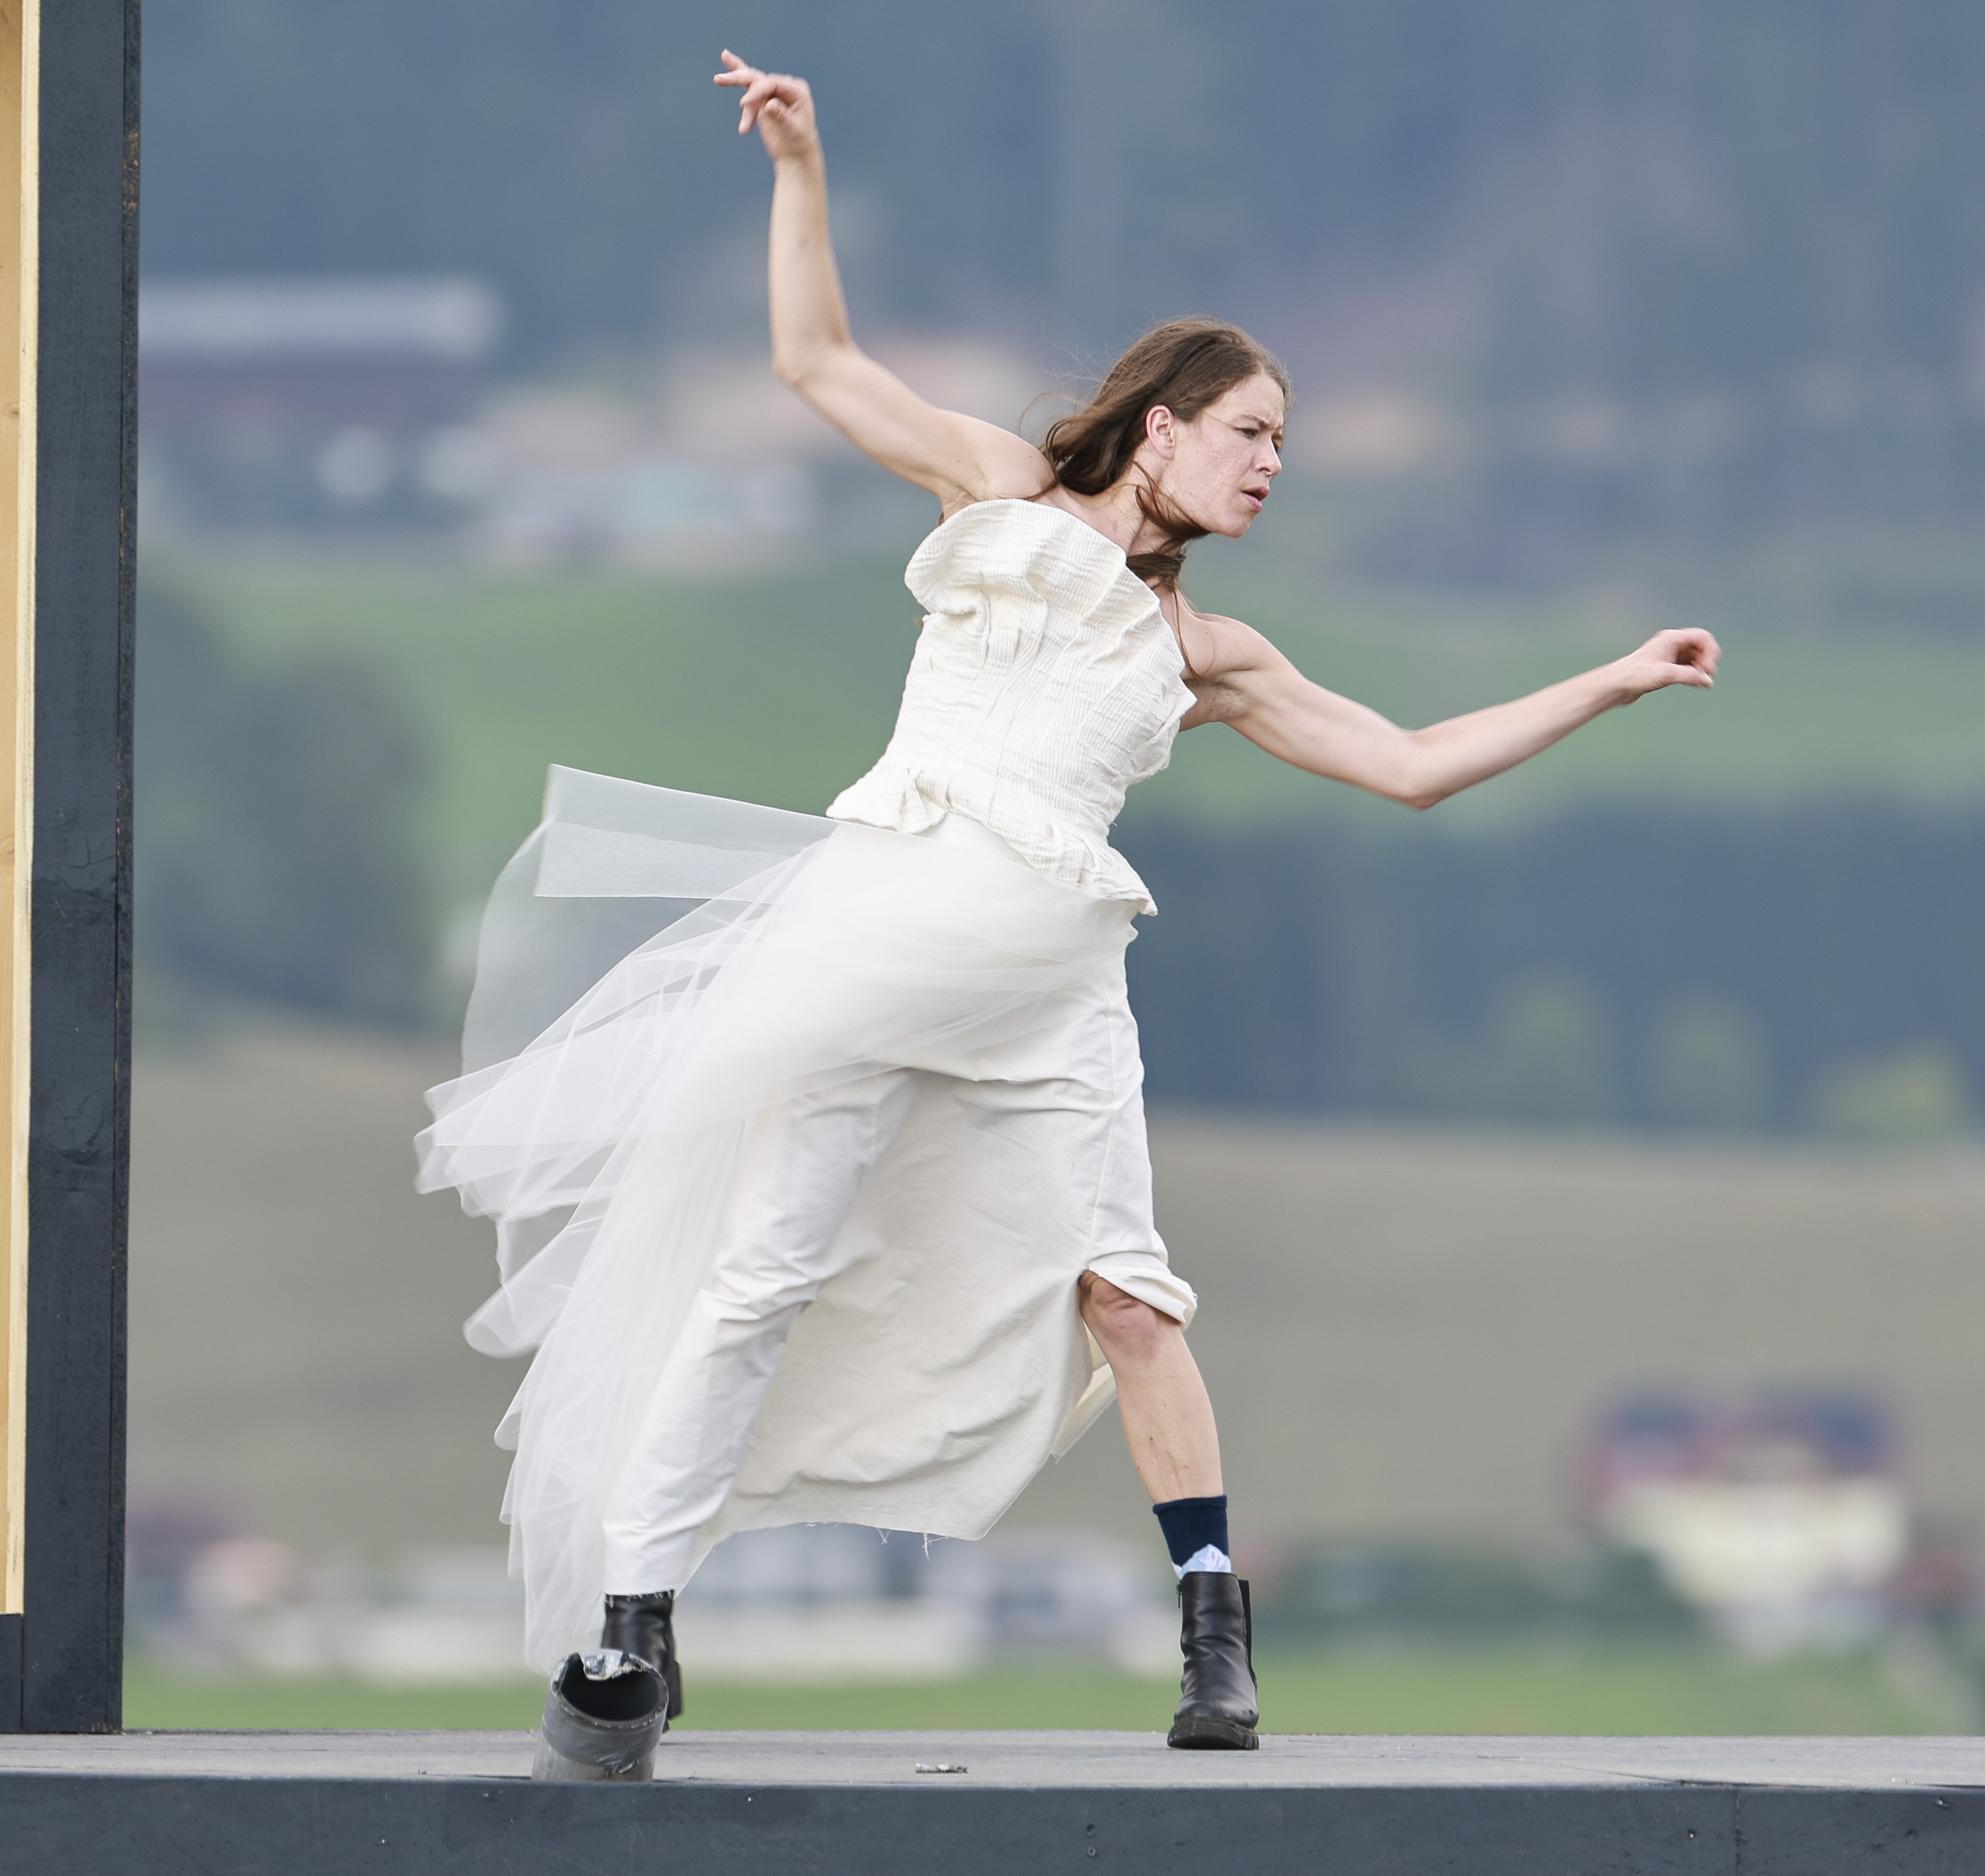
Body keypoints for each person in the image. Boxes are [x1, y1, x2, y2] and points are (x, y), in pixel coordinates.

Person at [419, 54, 1722, 1758]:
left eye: (1286, 449)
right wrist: (800, 167)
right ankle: (633, 1633)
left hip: (1043, 981)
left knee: (1126, 1297)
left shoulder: (1209, 650)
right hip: (884, 933)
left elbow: (1410, 762)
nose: (1269, 470)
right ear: (1163, 421)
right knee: (756, 1277)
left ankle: (1212, 1639)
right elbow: (816, 360)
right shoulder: (1001, 501)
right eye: (1251, 434)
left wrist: (1609, 680)